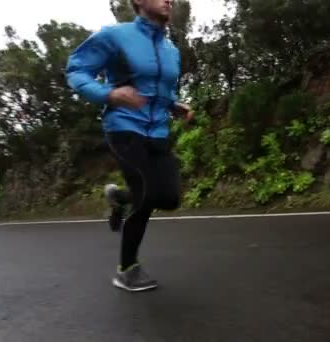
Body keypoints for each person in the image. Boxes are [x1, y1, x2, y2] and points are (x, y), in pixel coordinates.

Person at [65, 0, 193, 292]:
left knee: (170, 198)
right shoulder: (115, 36)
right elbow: (76, 70)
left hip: (158, 130)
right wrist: (108, 94)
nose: (169, 0)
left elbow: (158, 91)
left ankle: (121, 198)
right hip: (123, 127)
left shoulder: (170, 50)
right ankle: (127, 269)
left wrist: (174, 106)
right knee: (147, 194)